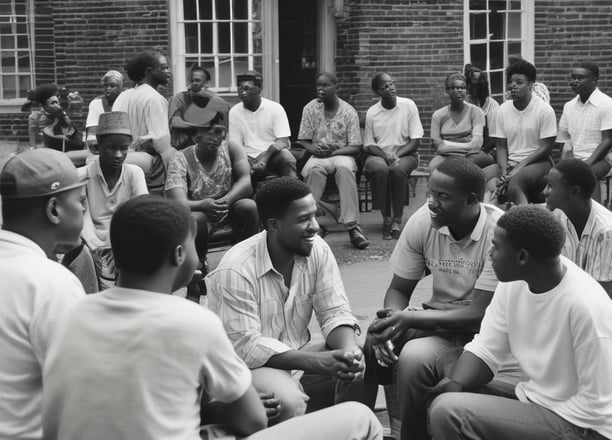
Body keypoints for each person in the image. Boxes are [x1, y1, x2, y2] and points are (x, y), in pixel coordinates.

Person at [42, 195, 383, 440]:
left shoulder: (72, 313)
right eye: (194, 244)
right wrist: (218, 410)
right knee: (361, 419)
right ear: (179, 255)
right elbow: (251, 419)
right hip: (251, 377)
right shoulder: (193, 320)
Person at [428, 205, 612, 440]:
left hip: (583, 425)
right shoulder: (514, 281)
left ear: (522, 256)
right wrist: (454, 384)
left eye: (497, 247)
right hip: (538, 397)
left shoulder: (585, 306)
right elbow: (486, 349)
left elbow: (597, 406)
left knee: (450, 411)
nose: (490, 254)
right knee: (449, 370)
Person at [360, 157, 502, 440]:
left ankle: (410, 434)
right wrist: (393, 319)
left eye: (443, 196)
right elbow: (399, 288)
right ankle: (358, 427)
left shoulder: (498, 233)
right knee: (375, 336)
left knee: (413, 356)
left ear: (471, 199)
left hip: (479, 333)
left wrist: (409, 318)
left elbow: (479, 314)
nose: (432, 202)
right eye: (430, 193)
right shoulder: (424, 221)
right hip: (438, 320)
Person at [207, 177, 366, 424]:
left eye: (315, 215)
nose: (314, 226)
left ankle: (344, 429)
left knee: (357, 361)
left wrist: (348, 351)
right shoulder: (236, 268)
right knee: (287, 400)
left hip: (295, 363)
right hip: (246, 372)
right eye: (303, 219)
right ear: (273, 224)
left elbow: (334, 310)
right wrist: (320, 362)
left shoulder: (317, 248)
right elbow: (247, 348)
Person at [0, 148, 86, 439]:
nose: (84, 211)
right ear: (53, 209)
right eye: (80, 201)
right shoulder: (51, 283)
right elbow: (82, 388)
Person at [165, 100, 258, 276]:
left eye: (219, 132)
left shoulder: (231, 149)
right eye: (209, 133)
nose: (215, 138)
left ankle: (244, 259)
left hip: (227, 207)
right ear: (196, 136)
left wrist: (226, 201)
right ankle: (198, 265)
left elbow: (246, 182)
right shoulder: (181, 158)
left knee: (248, 206)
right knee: (196, 218)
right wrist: (204, 205)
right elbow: (177, 201)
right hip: (199, 211)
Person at [298, 72, 369, 249]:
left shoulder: (348, 111)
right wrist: (315, 150)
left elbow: (356, 146)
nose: (320, 89)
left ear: (335, 87)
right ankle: (310, 223)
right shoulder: (310, 109)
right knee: (315, 170)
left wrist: (333, 152)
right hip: (318, 155)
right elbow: (303, 140)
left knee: (345, 169)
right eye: (318, 86)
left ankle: (353, 227)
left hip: (342, 154)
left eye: (325, 85)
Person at [79, 111, 148, 288]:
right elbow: (83, 218)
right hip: (91, 241)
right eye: (111, 148)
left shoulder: (134, 173)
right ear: (98, 147)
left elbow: (142, 212)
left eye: (124, 148)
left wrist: (121, 243)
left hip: (124, 237)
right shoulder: (83, 176)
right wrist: (96, 247)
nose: (118, 155)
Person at [485, 60, 557, 206]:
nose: (513, 86)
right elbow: (500, 146)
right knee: (477, 177)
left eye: (519, 82)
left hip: (538, 163)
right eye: (511, 82)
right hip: (510, 163)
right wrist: (505, 171)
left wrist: (517, 168)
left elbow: (546, 148)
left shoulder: (544, 110)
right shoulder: (502, 110)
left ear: (530, 84)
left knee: (515, 182)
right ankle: (486, 223)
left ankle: (523, 223)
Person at [363, 72, 423, 240]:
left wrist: (396, 154)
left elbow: (415, 141)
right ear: (377, 93)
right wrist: (385, 156)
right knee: (381, 170)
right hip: (379, 155)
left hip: (406, 154)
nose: (391, 88)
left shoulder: (408, 106)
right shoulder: (372, 113)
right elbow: (369, 144)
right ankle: (386, 218)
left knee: (397, 170)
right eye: (385, 87)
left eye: (392, 84)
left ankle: (397, 219)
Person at [544, 159, 612, 296]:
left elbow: (601, 296)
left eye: (551, 186)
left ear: (575, 192)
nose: (545, 191)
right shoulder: (555, 216)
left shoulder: (606, 232)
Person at [112, 49, 176, 193]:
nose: (168, 72)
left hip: (119, 159)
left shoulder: (122, 96)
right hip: (146, 164)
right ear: (149, 71)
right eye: (164, 68)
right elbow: (162, 145)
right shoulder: (155, 99)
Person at [228, 70, 297, 183]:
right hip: (247, 157)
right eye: (240, 89)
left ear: (259, 89)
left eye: (247, 89)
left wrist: (265, 157)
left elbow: (283, 142)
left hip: (272, 155)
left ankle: (294, 193)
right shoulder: (234, 111)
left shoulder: (275, 108)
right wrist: (245, 163)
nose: (242, 93)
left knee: (287, 157)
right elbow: (236, 145)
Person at [557, 62, 612, 203]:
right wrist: (565, 165)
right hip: (577, 158)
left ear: (594, 80)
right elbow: (565, 141)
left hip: (604, 159)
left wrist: (587, 163)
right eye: (573, 77)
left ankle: (595, 217)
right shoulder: (569, 106)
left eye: (580, 78)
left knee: (588, 174)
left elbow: (608, 141)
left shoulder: (606, 104)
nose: (575, 81)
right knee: (559, 177)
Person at [428, 72, 495, 172]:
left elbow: (476, 144)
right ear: (447, 90)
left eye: (462, 88)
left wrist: (447, 143)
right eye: (454, 88)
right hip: (446, 155)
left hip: (472, 155)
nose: (459, 91)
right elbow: (438, 146)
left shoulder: (476, 112)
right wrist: (466, 142)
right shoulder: (438, 115)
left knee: (462, 168)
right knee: (433, 167)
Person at [168, 66, 230, 150]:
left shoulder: (213, 100)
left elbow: (222, 126)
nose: (194, 83)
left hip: (207, 145)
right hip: (183, 145)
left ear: (207, 84)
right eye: (192, 81)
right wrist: (202, 127)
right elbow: (175, 122)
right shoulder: (180, 98)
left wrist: (207, 96)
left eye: (197, 80)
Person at [27, 83, 84, 152]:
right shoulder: (36, 116)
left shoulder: (59, 111)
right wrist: (33, 148)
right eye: (56, 95)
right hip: (46, 150)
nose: (58, 98)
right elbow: (33, 135)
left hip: (64, 147)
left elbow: (69, 126)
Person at [464, 64, 499, 155]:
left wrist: (482, 152)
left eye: (478, 84)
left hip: (486, 151)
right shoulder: (464, 104)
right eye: (471, 84)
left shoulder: (493, 106)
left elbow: (494, 138)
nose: (473, 88)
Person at [85, 70, 124, 147]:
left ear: (120, 88)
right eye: (105, 86)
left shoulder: (127, 101)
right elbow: (92, 133)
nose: (108, 88)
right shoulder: (96, 103)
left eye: (112, 86)